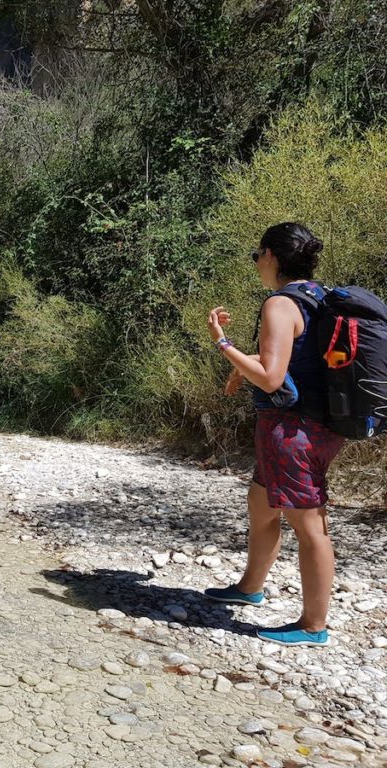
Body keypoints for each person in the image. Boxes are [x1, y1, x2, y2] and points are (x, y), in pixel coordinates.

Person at [204, 222, 345, 647]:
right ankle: (250, 587)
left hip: (293, 429)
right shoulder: (318, 298)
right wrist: (239, 365)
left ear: (271, 256)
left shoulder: (280, 304)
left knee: (310, 526)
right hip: (311, 425)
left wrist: (223, 343)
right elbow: (294, 362)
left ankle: (313, 625)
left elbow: (270, 378)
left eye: (257, 256)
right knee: (261, 504)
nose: (257, 264)